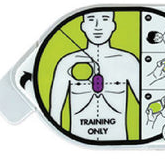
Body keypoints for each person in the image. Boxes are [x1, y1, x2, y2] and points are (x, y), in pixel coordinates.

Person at [49, 11, 140, 141]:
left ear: (113, 25)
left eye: (105, 19)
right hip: (76, 145)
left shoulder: (128, 61)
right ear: (83, 26)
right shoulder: (67, 63)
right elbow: (55, 112)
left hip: (119, 142)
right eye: (91, 19)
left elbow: (147, 106)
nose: (98, 26)